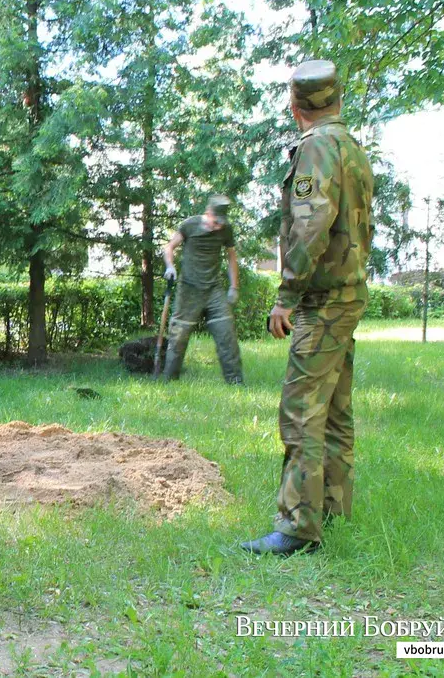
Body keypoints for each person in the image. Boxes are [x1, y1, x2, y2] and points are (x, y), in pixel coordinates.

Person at [241, 60, 374, 556]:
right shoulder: (352, 147)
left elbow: (312, 223)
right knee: (336, 410)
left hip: (321, 300)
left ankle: (298, 527)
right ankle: (333, 509)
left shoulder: (317, 146)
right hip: (349, 291)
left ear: (295, 106)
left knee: (300, 412)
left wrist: (286, 295)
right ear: (336, 98)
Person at [160, 195, 244, 384]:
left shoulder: (226, 230)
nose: (218, 227)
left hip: (213, 289)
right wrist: (170, 266)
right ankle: (169, 380)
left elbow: (232, 257)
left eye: (221, 223)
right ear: (208, 213)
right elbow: (170, 247)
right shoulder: (189, 225)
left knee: (226, 334)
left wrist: (234, 287)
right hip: (188, 289)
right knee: (179, 335)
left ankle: (236, 381)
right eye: (215, 222)